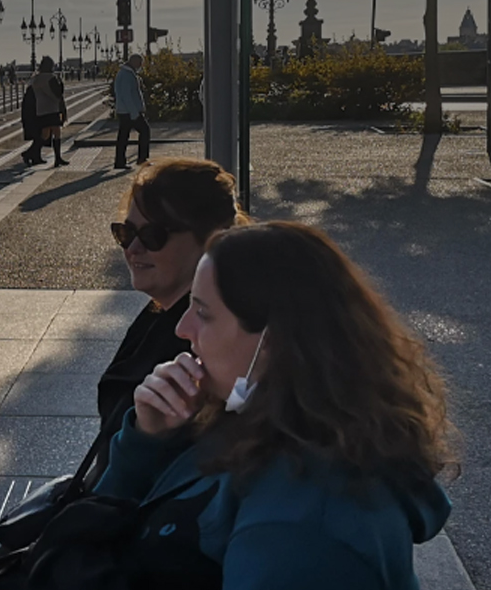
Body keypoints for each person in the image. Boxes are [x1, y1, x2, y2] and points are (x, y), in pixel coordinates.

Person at [91, 221, 456, 589]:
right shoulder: (261, 419)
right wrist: (145, 440)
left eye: (203, 313)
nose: (182, 329)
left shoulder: (300, 528)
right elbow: (101, 529)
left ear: (274, 339)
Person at [88, 159, 249, 481]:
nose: (132, 248)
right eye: (125, 232)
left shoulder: (203, 345)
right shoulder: (160, 310)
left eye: (153, 235)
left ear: (211, 239)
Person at [21, 56, 67, 167]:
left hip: (41, 109)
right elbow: (57, 94)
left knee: (45, 134)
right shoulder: (51, 78)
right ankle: (57, 158)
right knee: (56, 132)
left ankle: (29, 153)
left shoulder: (35, 79)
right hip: (52, 108)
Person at [113, 54, 152, 170]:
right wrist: (135, 113)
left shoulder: (126, 73)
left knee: (123, 136)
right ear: (134, 62)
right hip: (129, 111)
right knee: (145, 130)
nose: (141, 66)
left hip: (125, 111)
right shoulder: (126, 75)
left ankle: (120, 161)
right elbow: (127, 96)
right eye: (140, 63)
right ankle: (142, 158)